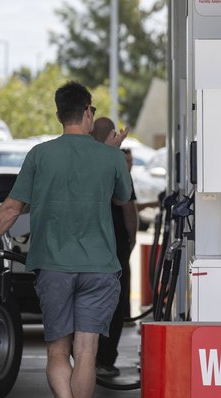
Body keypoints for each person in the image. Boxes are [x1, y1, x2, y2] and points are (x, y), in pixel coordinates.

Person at [0, 81, 132, 398]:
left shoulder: (40, 155)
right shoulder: (110, 158)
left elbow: (10, 209)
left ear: (59, 115)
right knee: (86, 352)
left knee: (59, 351)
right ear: (88, 112)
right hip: (100, 269)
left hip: (53, 268)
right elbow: (123, 198)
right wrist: (113, 155)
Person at [90, 116, 138, 378]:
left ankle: (86, 359)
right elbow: (127, 206)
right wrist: (130, 242)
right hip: (115, 246)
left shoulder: (82, 162)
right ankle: (105, 360)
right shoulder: (115, 164)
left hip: (87, 244)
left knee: (87, 302)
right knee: (115, 303)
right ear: (111, 136)